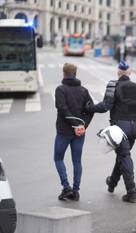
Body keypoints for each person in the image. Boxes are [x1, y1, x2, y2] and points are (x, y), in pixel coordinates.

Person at [85, 61, 136, 203]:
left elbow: (105, 106)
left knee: (124, 156)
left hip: (119, 128)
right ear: (130, 72)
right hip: (134, 128)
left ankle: (132, 192)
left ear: (118, 72)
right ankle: (112, 182)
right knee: (122, 155)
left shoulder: (114, 85)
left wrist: (90, 108)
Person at [54, 63, 94, 201]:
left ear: (64, 73)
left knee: (58, 158)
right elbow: (91, 110)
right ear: (75, 74)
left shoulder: (60, 90)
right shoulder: (84, 91)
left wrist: (76, 125)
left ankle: (66, 187)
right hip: (79, 133)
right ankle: (76, 191)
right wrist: (82, 126)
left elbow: (62, 109)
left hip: (64, 131)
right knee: (77, 161)